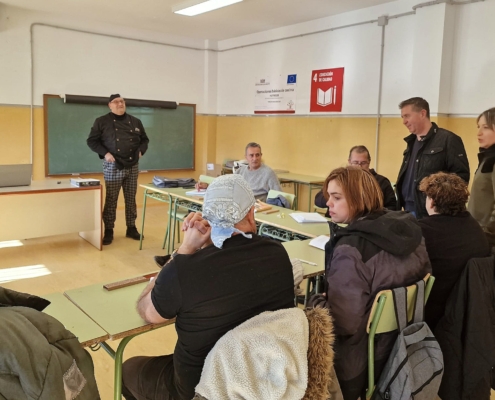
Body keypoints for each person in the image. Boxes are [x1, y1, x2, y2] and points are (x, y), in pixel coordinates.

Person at [122, 174, 295, 400]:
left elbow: (147, 311)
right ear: (251, 213)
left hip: (201, 389)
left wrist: (184, 250)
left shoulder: (184, 270)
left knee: (128, 369)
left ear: (207, 216)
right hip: (264, 378)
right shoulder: (278, 254)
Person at [309, 166, 431, 400]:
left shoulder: (350, 250)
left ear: (359, 198)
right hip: (406, 344)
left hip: (363, 360)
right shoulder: (410, 230)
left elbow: (344, 325)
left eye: (336, 198)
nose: (328, 205)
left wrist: (319, 302)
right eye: (328, 198)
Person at [417, 172, 490, 330]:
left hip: (433, 317)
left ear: (431, 202)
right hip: (472, 314)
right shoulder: (475, 228)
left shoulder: (422, 232)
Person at [87, 94, 149, 245]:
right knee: (111, 200)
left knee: (130, 198)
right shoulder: (102, 121)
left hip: (133, 165)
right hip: (112, 165)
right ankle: (109, 230)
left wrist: (141, 150)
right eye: (116, 102)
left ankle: (131, 227)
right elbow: (91, 141)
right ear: (110, 105)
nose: (120, 104)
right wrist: (105, 153)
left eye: (122, 101)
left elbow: (145, 139)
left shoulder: (135, 121)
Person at [396, 97, 470, 219]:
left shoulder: (448, 140)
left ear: (422, 113)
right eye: (402, 117)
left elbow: (461, 178)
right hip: (407, 211)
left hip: (432, 214)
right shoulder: (411, 142)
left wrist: (438, 206)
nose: (404, 121)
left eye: (407, 116)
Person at [314, 145, 396, 216]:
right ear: (349, 162)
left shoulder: (382, 182)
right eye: (356, 163)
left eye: (363, 163)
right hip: (335, 222)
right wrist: (336, 198)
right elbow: (318, 200)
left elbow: (392, 209)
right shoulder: (340, 179)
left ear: (369, 162)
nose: (359, 167)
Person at [195, 142, 281, 201]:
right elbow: (226, 185)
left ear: (261, 156)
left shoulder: (268, 173)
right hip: (238, 207)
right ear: (246, 157)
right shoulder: (240, 171)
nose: (255, 158)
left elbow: (280, 197)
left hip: (255, 211)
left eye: (257, 155)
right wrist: (207, 186)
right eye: (251, 155)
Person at [468, 107, 495, 250]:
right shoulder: (487, 158)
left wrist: (488, 230)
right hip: (478, 231)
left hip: (488, 237)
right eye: (479, 127)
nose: (479, 133)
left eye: (485, 127)